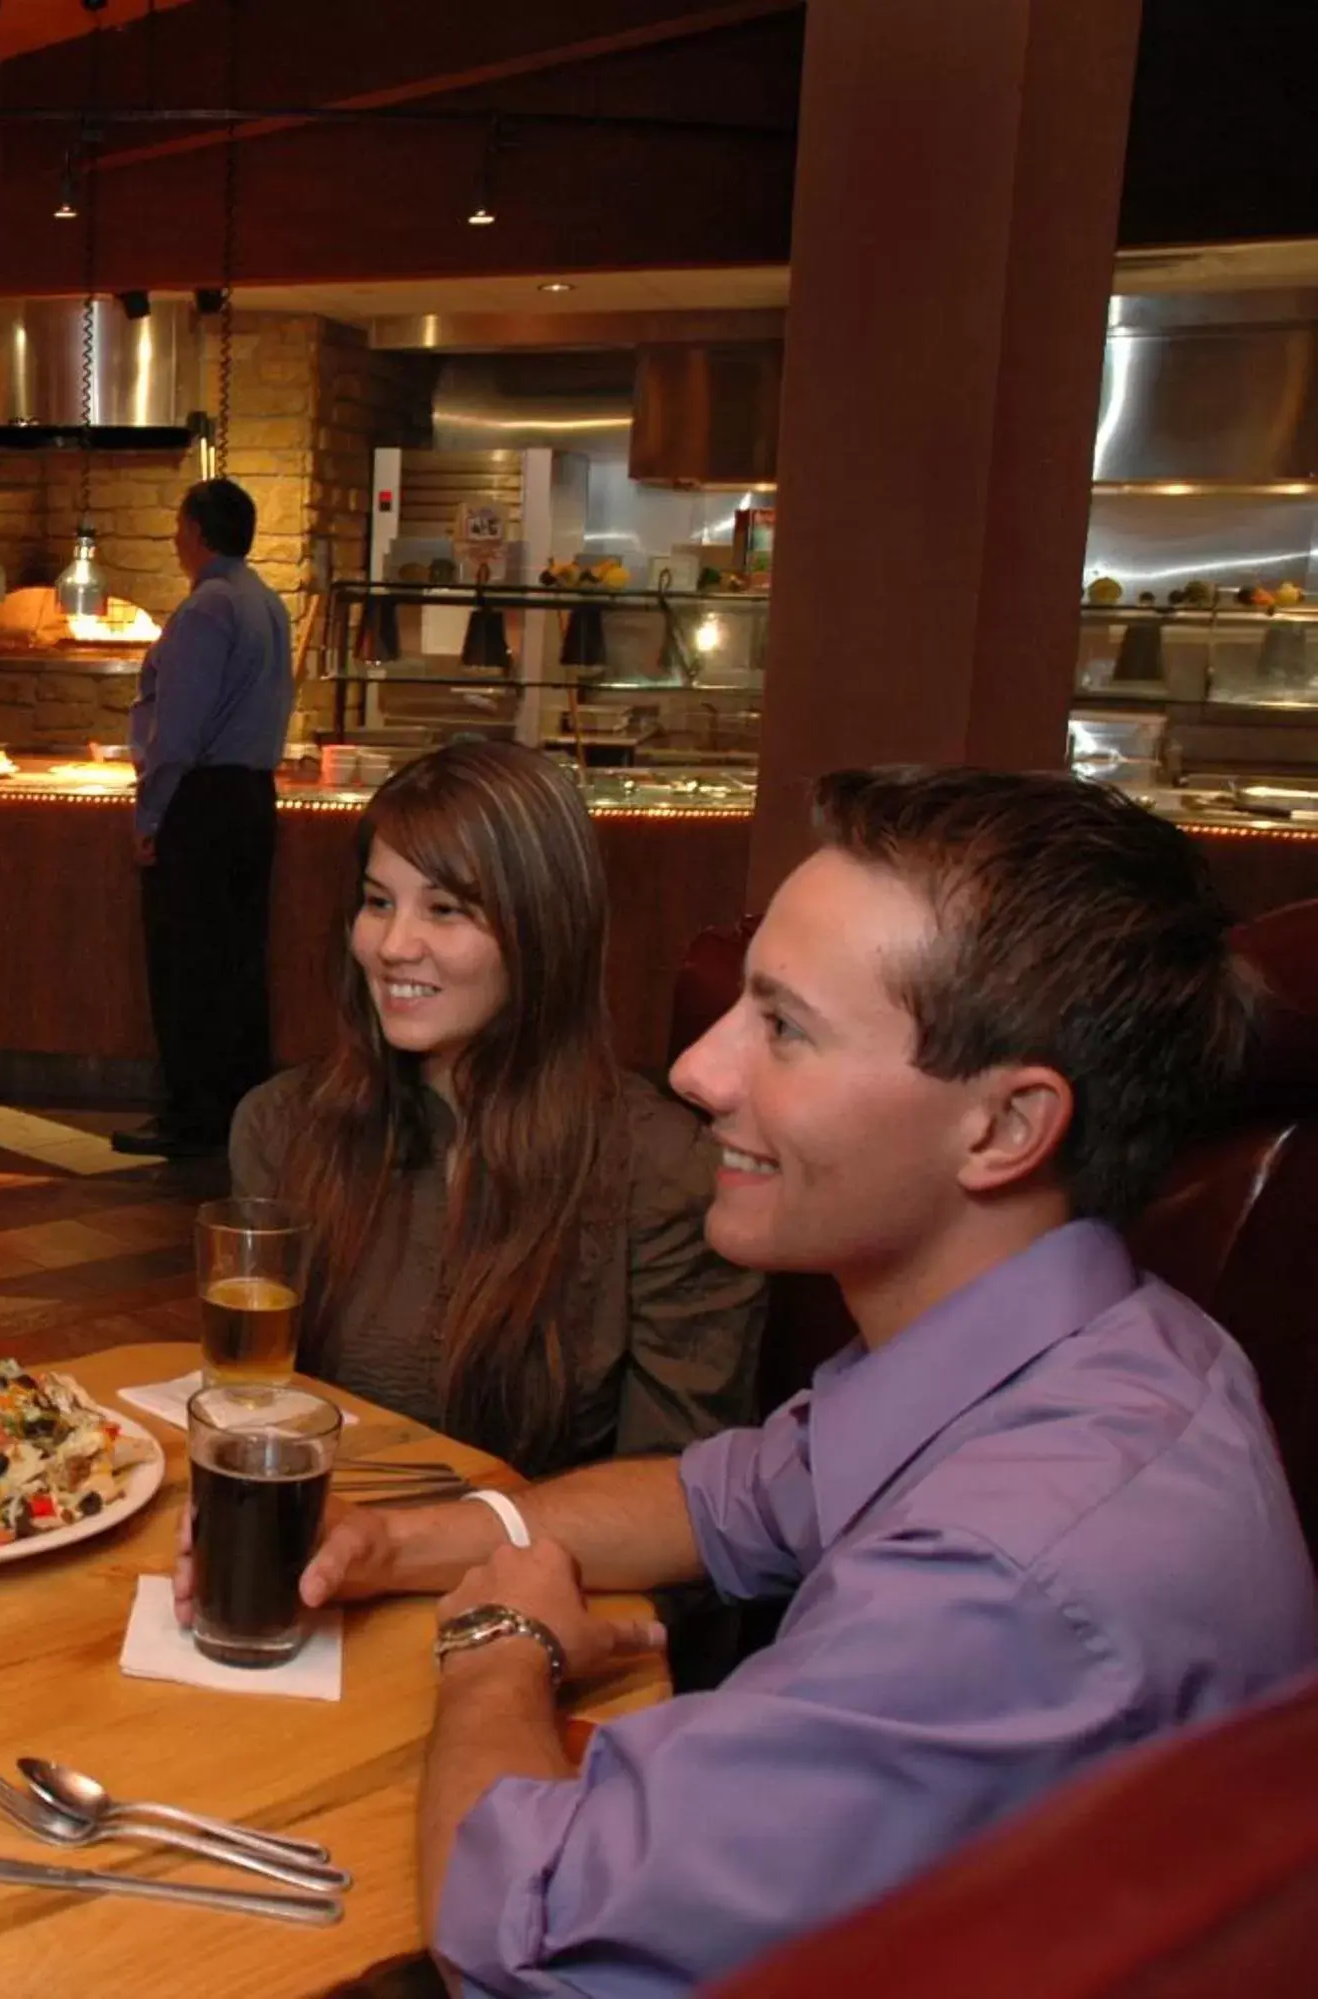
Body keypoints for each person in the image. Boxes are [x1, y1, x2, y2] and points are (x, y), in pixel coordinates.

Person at [196, 767, 1318, 1995]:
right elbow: (720, 1498)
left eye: (782, 1026)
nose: (698, 1070)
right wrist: (390, 1543)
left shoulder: (999, 1582)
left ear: (1004, 1128)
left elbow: (522, 1926)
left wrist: (501, 1644)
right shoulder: (1096, 1348)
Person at [229, 741, 763, 1474]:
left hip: (535, 1579)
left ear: (543, 932)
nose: (391, 944)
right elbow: (254, 1414)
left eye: (444, 909)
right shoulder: (282, 1127)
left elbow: (679, 1510)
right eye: (377, 901)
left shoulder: (665, 1175)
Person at [114, 477, 298, 1158]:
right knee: (237, 962)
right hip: (252, 797)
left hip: (201, 802)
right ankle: (239, 1115)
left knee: (186, 964)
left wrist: (151, 814)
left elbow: (178, 731)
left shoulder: (204, 610)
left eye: (177, 524)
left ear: (194, 532)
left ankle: (193, 1118)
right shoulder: (266, 604)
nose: (173, 537)